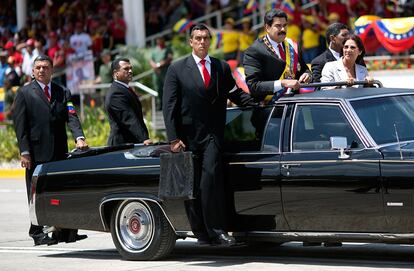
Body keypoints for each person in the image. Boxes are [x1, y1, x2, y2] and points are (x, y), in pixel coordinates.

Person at [163, 23, 255, 247]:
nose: (202, 41)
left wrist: (259, 102)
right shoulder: (176, 69)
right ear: (191, 42)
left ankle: (217, 230)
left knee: (210, 181)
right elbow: (169, 106)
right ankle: (200, 231)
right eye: (198, 38)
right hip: (186, 139)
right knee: (191, 188)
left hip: (212, 136)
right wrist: (174, 139)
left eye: (206, 38)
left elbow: (235, 94)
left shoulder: (221, 67)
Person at [13, 55, 89, 246]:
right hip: (36, 154)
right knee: (36, 194)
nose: (41, 70)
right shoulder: (24, 93)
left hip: (60, 152)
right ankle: (37, 233)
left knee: (62, 191)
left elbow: (71, 116)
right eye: (37, 67)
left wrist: (79, 137)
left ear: (52, 70)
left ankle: (65, 232)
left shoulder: (62, 91)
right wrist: (24, 151)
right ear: (32, 71)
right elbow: (20, 126)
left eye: (45, 67)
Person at [243, 9, 312, 103]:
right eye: (278, 26)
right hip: (268, 110)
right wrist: (283, 83)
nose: (283, 29)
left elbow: (304, 69)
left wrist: (307, 75)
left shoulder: (292, 45)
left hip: (294, 107)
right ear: (267, 27)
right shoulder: (254, 51)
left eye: (284, 25)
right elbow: (253, 86)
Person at [105, 58, 152, 146]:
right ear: (116, 73)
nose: (130, 71)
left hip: (131, 143)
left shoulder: (124, 89)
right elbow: (128, 118)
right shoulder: (116, 93)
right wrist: (144, 138)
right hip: (121, 145)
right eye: (126, 69)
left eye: (131, 68)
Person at [149, 37, 173, 110]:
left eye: (160, 39)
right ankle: (159, 105)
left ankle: (168, 104)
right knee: (157, 88)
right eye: (157, 39)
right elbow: (150, 60)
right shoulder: (154, 50)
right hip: (156, 73)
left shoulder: (167, 49)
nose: (159, 41)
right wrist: (155, 66)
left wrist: (159, 65)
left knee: (166, 88)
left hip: (165, 72)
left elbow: (169, 58)